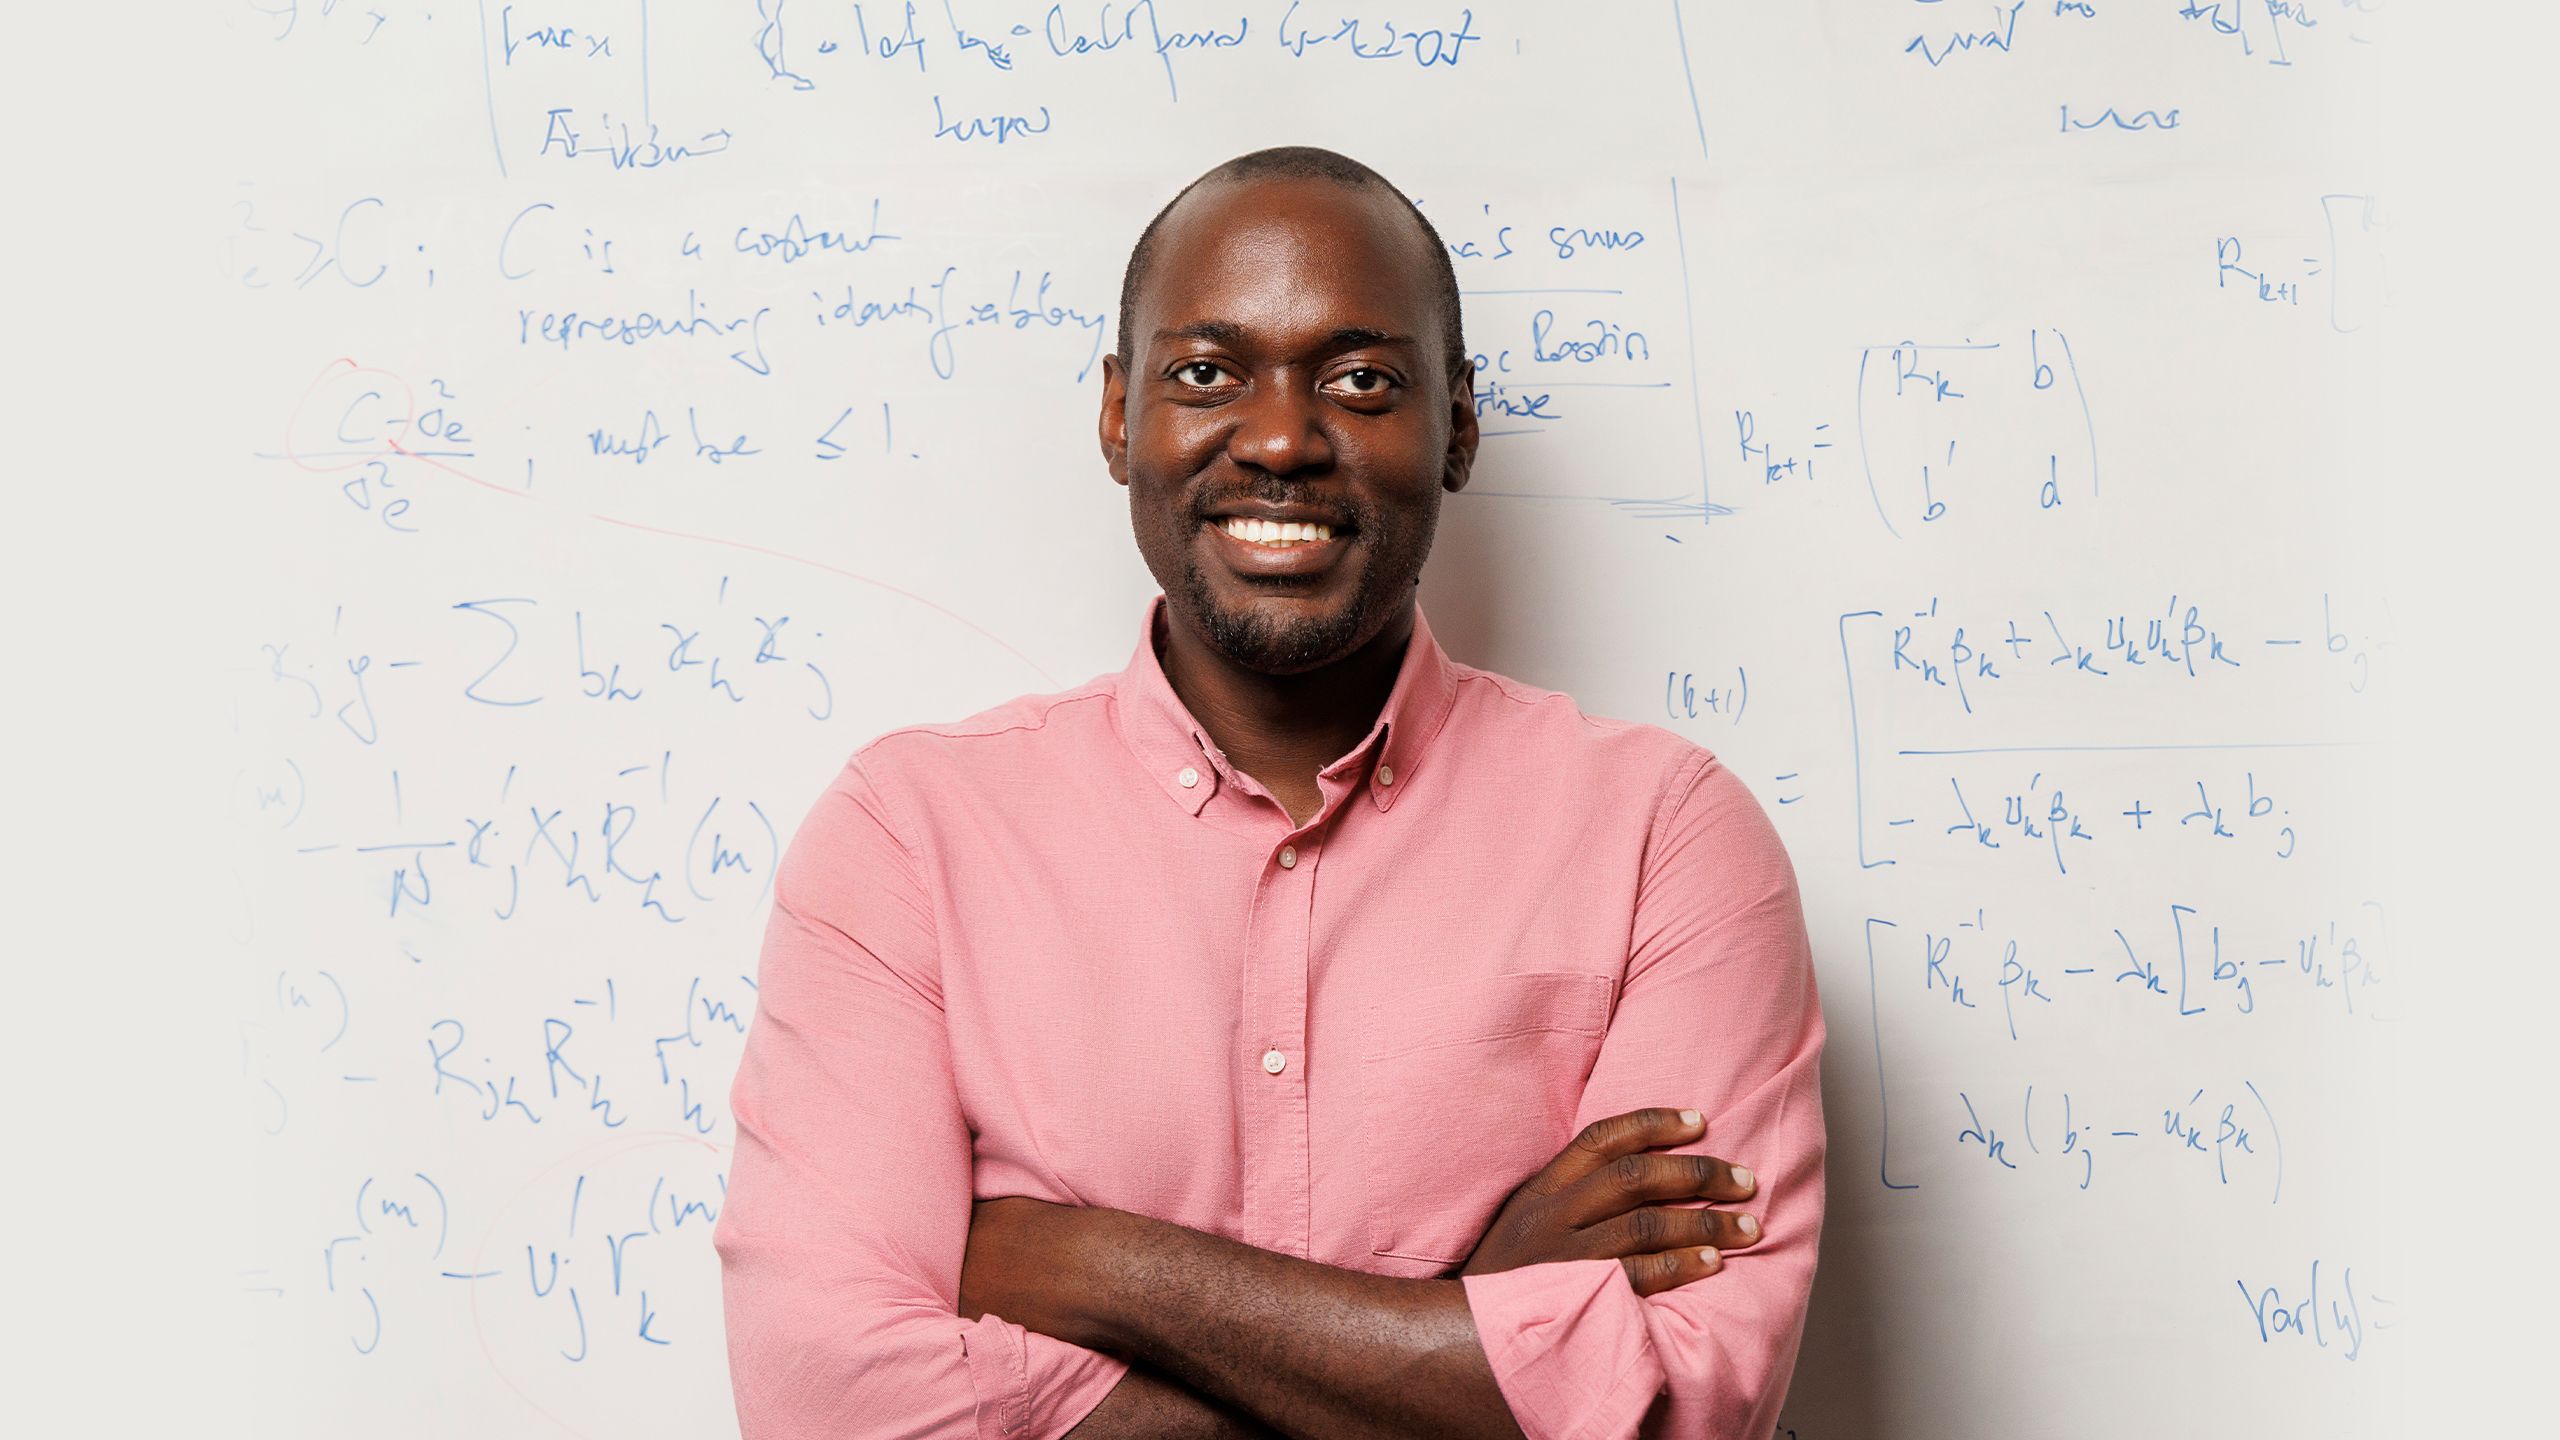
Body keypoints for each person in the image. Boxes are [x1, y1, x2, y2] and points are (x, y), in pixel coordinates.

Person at [712, 146, 1826, 1440]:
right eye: (1207, 374)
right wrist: (1466, 1315)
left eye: (1361, 381)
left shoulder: (1667, 838)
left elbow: (1683, 1402)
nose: (1286, 439)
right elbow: (830, 1404)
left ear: (1457, 426)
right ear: (1122, 417)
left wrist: (1096, 1270)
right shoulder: (910, 837)